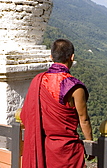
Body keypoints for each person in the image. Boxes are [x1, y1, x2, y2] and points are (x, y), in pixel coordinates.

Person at [20, 39, 94, 168]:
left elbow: (25, 115)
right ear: (72, 57)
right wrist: (90, 144)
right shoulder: (75, 87)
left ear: (51, 57)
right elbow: (84, 119)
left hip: (44, 147)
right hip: (68, 150)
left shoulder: (38, 81)